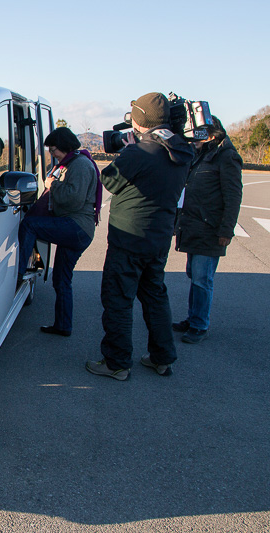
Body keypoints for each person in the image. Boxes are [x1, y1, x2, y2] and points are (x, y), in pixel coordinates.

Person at [86, 92, 194, 380]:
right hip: (159, 239)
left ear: (141, 118)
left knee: (118, 299)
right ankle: (162, 357)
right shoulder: (182, 150)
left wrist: (129, 152)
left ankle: (117, 363)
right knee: (155, 297)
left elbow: (108, 181)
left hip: (128, 239)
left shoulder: (139, 152)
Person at [17, 127, 101, 336]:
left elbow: (73, 199)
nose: (52, 154)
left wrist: (52, 185)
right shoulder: (73, 162)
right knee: (61, 280)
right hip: (76, 228)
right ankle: (63, 326)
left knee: (30, 225)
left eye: (53, 150)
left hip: (76, 227)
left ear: (64, 147)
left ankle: (17, 274)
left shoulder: (80, 165)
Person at [173, 116, 243, 344]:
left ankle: (199, 325)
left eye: (200, 133)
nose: (195, 137)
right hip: (193, 226)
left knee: (202, 279)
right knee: (194, 276)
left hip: (210, 229)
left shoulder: (226, 157)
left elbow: (233, 197)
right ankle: (193, 318)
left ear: (213, 134)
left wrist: (226, 230)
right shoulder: (200, 155)